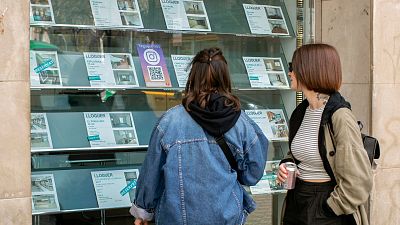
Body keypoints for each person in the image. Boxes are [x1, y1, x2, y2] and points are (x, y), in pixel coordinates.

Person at [130, 47, 268, 225]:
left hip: (176, 218)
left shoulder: (169, 122)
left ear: (193, 77)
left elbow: (151, 173)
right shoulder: (242, 122)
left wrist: (144, 213)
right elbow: (253, 174)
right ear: (225, 77)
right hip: (227, 216)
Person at [277, 43, 373, 225]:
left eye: (293, 67)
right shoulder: (300, 112)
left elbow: (359, 180)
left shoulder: (340, 116)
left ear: (309, 70)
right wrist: (287, 164)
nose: (289, 73)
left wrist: (331, 208)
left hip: (326, 205)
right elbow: (303, 152)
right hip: (297, 201)